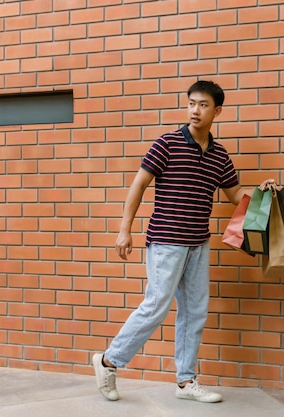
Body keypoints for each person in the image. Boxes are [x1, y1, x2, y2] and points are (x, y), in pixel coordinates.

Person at [92, 80, 274, 403]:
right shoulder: (167, 144)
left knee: (194, 312)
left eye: (203, 105)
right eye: (191, 103)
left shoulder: (219, 155)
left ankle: (186, 381)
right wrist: (125, 229)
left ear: (217, 111)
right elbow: (139, 184)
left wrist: (262, 193)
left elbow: (234, 195)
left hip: (198, 244)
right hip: (165, 241)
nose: (195, 110)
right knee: (156, 306)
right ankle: (108, 361)